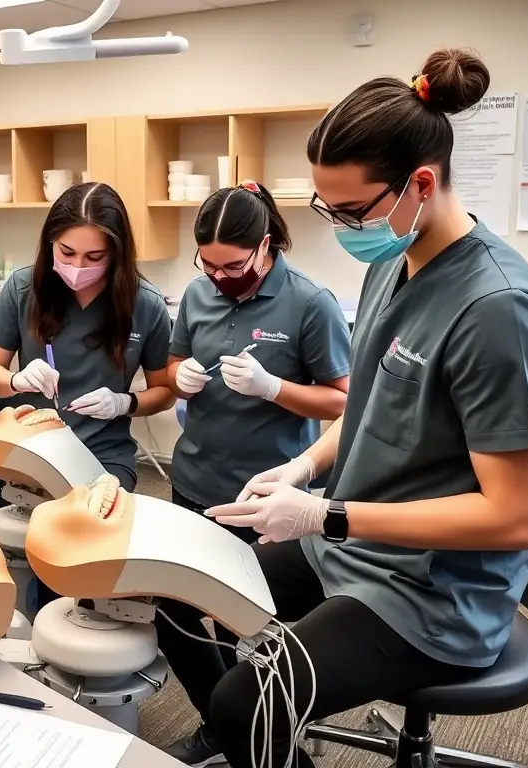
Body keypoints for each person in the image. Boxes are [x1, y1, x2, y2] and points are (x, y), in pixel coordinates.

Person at [165, 48, 528, 768]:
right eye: (327, 209)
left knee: (244, 703)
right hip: (357, 545)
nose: (340, 226)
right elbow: (373, 408)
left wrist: (327, 513)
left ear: (420, 184)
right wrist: (302, 466)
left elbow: (517, 518)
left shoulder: (501, 312)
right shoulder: (393, 261)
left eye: (352, 210)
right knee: (186, 592)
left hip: (435, 594)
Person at [160, 180, 350, 765]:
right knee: (175, 614)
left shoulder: (309, 302)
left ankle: (260, 734)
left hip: (266, 496)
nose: (218, 276)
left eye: (232, 265)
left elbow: (341, 401)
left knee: (253, 631)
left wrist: (274, 388)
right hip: (193, 480)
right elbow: (172, 360)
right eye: (208, 264)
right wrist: (178, 376)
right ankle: (224, 722)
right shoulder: (196, 293)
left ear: (265, 246)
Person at [0, 182, 175, 493]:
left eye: (95, 256)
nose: (77, 267)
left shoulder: (145, 305)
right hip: (31, 444)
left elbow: (164, 392)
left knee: (87, 522)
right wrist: (16, 381)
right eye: (66, 252)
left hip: (103, 453)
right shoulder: (24, 288)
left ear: (117, 253)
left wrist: (124, 403)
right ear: (50, 242)